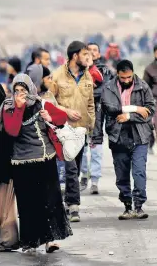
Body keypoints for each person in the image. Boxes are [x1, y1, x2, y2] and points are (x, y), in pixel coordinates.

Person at [0, 74, 72, 253]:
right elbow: (12, 130)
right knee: (28, 204)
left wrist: (50, 117)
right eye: (16, 91)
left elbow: (62, 119)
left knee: (50, 200)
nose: (20, 94)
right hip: (21, 162)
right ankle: (31, 241)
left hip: (45, 158)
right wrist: (18, 108)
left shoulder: (42, 103)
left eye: (23, 90)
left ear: (31, 89)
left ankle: (51, 240)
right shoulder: (8, 107)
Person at [101, 60, 155, 220]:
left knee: (139, 172)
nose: (126, 80)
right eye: (123, 78)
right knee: (122, 174)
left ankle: (138, 206)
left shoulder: (143, 86)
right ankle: (127, 205)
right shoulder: (109, 88)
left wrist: (130, 116)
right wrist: (136, 108)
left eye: (129, 77)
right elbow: (109, 108)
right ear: (117, 74)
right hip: (118, 137)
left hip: (140, 136)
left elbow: (150, 111)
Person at [52, 40, 96, 222]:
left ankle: (67, 200)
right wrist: (67, 111)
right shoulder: (57, 76)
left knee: (76, 169)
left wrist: (91, 125)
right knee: (70, 168)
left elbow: (91, 103)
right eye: (84, 54)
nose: (88, 58)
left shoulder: (87, 77)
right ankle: (74, 206)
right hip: (64, 129)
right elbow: (49, 102)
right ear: (74, 56)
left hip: (82, 130)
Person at [80, 42, 114, 194]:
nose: (92, 53)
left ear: (99, 54)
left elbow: (106, 89)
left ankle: (95, 179)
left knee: (96, 143)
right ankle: (83, 174)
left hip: (98, 109)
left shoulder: (104, 70)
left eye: (95, 50)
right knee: (81, 143)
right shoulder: (76, 69)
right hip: (80, 108)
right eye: (89, 50)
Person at [0, 82, 19, 252]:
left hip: (3, 159)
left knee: (3, 202)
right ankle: (7, 239)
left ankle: (7, 239)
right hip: (5, 159)